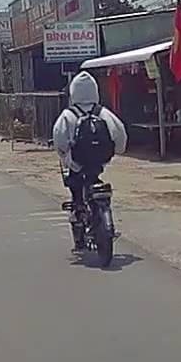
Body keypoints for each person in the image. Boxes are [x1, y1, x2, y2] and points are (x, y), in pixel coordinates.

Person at [52, 71, 128, 249]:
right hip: (99, 162)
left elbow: (59, 139)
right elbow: (120, 135)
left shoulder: (68, 115)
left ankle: (78, 215)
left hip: (77, 163)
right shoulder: (103, 113)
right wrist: (115, 152)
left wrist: (66, 157)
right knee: (95, 181)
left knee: (75, 190)